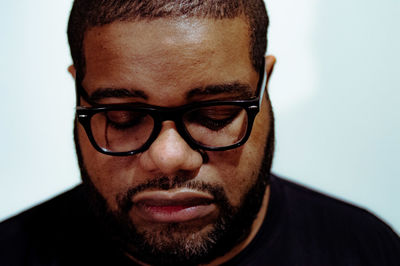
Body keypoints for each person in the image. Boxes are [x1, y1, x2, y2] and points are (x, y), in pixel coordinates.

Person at [1, 0, 399, 265]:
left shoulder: (368, 251)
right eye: (123, 116)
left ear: (266, 85)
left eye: (216, 113)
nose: (169, 157)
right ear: (78, 96)